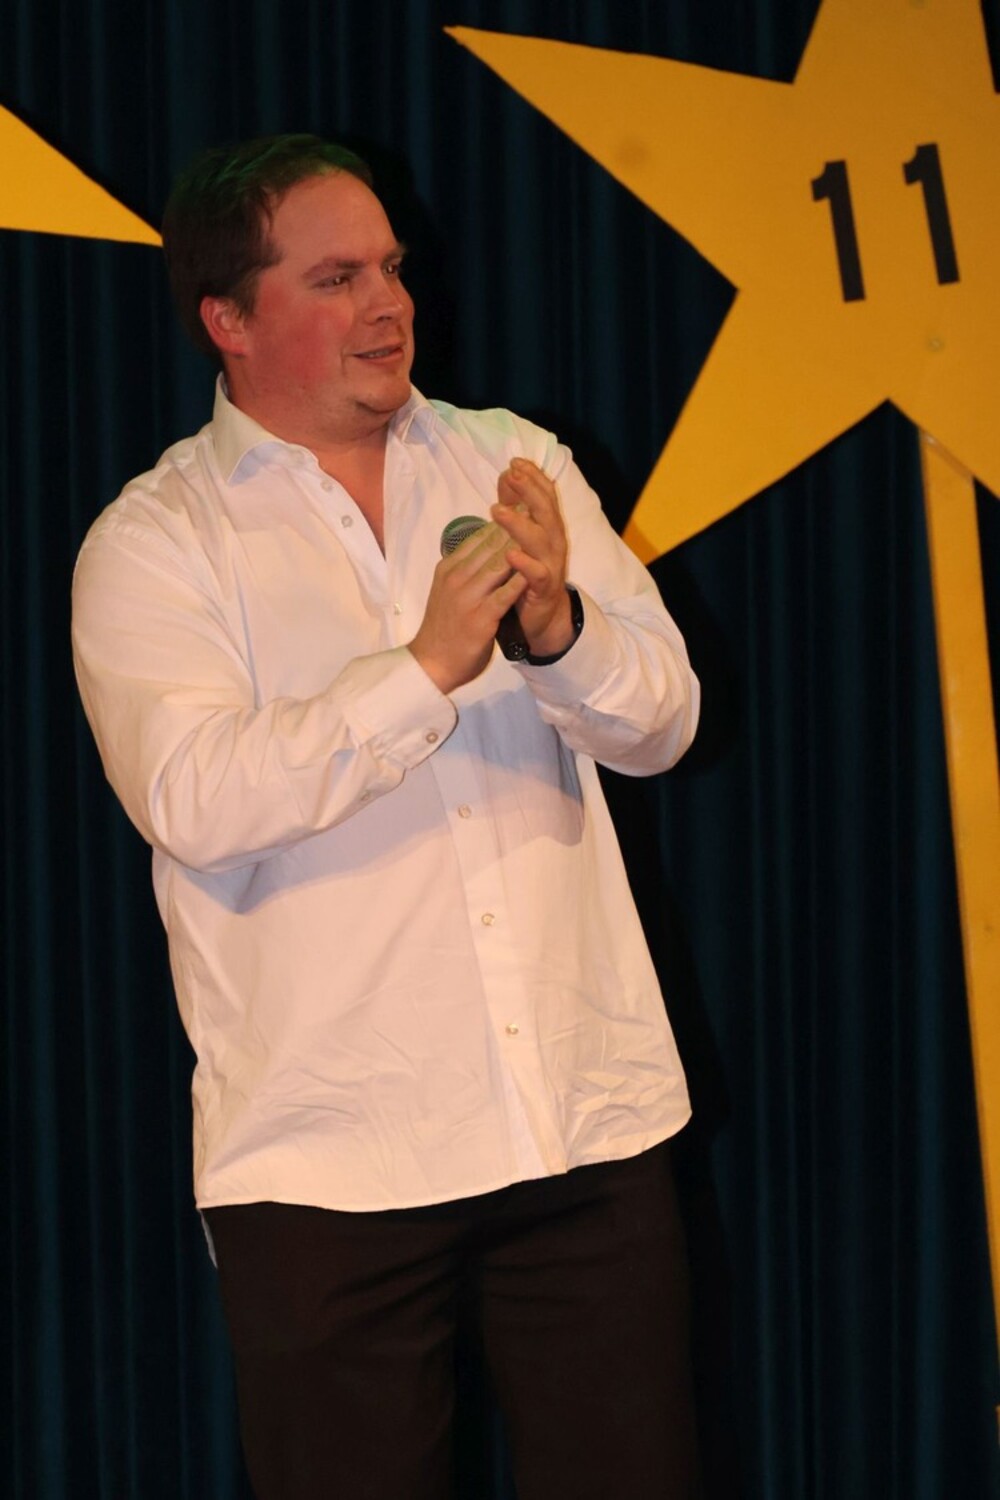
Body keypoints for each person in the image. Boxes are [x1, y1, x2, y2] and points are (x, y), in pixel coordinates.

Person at [71, 134, 703, 1499]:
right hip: (329, 1159)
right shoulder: (156, 540)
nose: (389, 305)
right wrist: (420, 673)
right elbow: (194, 797)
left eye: (393, 270)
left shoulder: (512, 461)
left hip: (579, 1124)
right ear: (229, 321)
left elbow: (663, 723)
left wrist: (558, 629)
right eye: (338, 278)